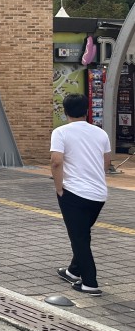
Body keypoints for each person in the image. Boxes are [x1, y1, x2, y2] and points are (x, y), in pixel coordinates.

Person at [50, 93, 112, 296]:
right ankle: (73, 271)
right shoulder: (100, 133)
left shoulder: (60, 132)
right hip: (99, 194)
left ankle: (90, 283)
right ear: (87, 110)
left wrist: (59, 188)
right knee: (83, 232)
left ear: (64, 111)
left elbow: (56, 161)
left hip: (74, 192)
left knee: (79, 238)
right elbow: (106, 163)